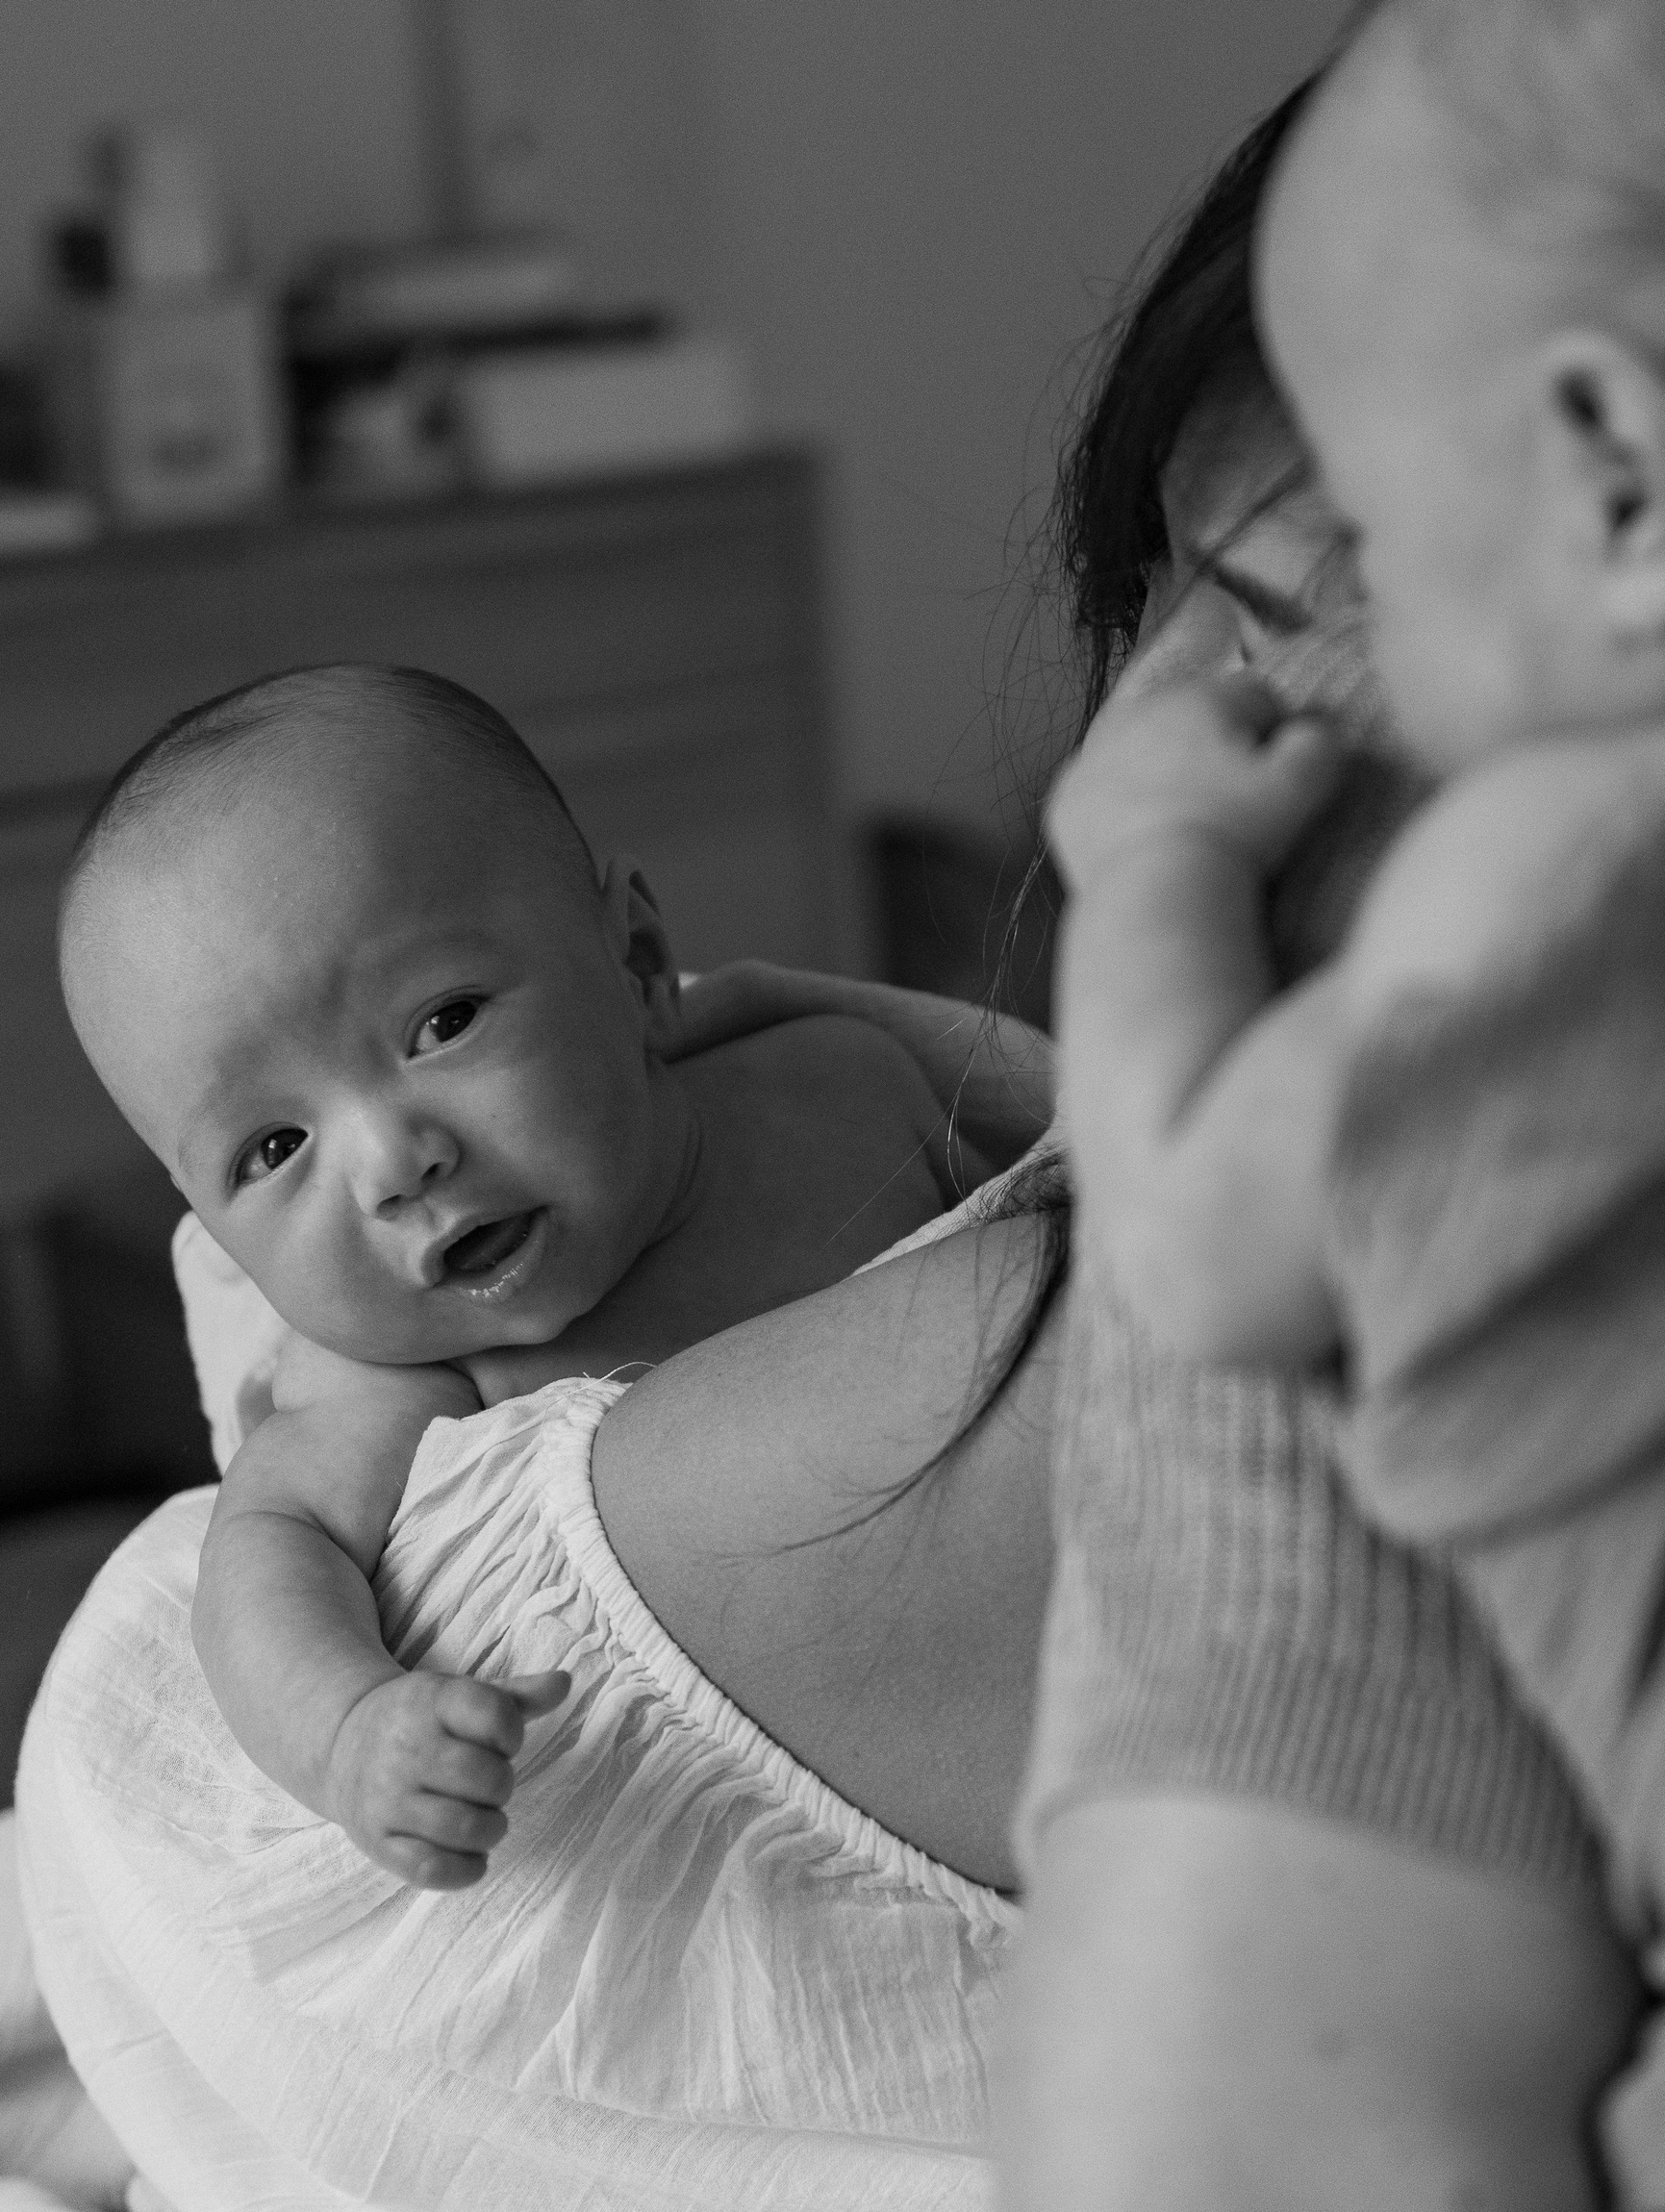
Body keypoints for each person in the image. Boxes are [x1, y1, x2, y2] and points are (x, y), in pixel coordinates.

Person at [1006, 15, 1665, 2212]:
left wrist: (1151, 878)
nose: (1243, 737)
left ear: (1619, 477)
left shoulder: (1572, 860)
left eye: (1321, 617)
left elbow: (1204, 1222)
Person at [59, 661, 1012, 1887]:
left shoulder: (844, 1083)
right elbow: (272, 1551)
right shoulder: (396, 1375)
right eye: (274, 1148)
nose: (393, 1163)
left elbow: (1063, 1231)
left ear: (637, 960)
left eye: (443, 1022)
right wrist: (350, 1733)